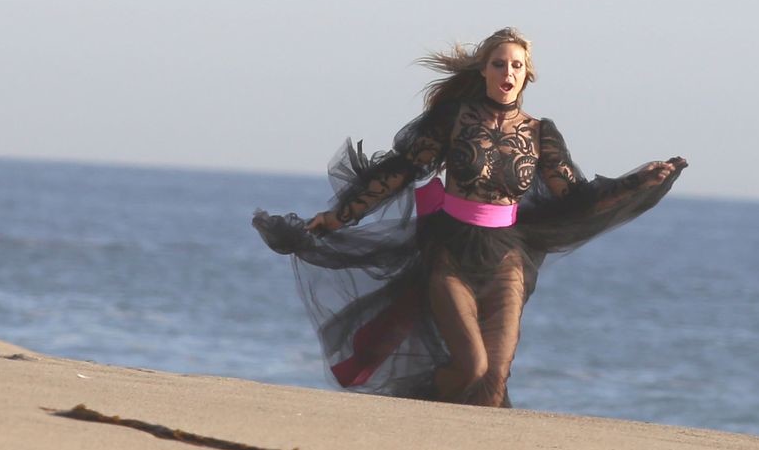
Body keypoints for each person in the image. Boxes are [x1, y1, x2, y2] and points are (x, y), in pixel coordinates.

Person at [254, 27, 686, 407]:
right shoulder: (454, 119)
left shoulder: (540, 133)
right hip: (449, 251)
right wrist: (338, 217)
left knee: (494, 381)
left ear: (527, 75)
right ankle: (421, 404)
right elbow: (401, 170)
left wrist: (638, 182)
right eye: (499, 64)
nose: (508, 72)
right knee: (472, 368)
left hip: (507, 257)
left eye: (517, 65)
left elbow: (574, 196)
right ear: (484, 70)